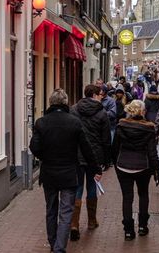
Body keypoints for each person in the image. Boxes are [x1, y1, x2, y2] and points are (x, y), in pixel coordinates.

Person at [30, 89, 103, 253]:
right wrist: (96, 168)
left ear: (50, 102)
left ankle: (53, 242)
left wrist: (45, 157)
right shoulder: (74, 122)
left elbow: (34, 147)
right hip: (69, 173)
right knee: (66, 211)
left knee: (51, 210)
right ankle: (59, 248)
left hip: (49, 172)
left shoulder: (41, 123)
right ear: (65, 103)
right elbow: (86, 149)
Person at [112, 100, 159, 240]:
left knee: (127, 198)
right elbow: (152, 153)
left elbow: (114, 148)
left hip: (123, 165)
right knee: (143, 194)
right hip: (143, 166)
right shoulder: (149, 128)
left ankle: (128, 230)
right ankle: (142, 226)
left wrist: (115, 164)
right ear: (143, 112)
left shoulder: (121, 126)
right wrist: (157, 170)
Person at [69, 85, 111, 241]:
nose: (102, 96)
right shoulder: (101, 113)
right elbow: (106, 139)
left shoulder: (73, 110)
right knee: (92, 186)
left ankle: (74, 224)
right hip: (95, 156)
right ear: (94, 95)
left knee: (77, 187)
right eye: (100, 94)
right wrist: (107, 160)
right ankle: (92, 221)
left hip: (77, 155)